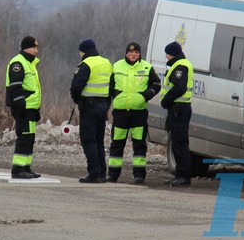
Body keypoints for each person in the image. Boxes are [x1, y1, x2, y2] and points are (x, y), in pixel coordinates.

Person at [107, 42, 161, 184]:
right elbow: (109, 86)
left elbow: (156, 84)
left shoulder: (147, 67)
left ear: (140, 54)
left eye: (136, 52)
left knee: (139, 144)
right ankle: (112, 175)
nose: (133, 54)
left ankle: (139, 175)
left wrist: (146, 95)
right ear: (126, 53)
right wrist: (114, 96)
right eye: (131, 52)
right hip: (120, 112)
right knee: (117, 144)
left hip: (139, 113)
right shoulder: (116, 66)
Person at [70, 39, 113, 183]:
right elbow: (112, 85)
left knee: (88, 140)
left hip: (89, 106)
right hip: (103, 106)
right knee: (98, 140)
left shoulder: (85, 64)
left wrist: (78, 100)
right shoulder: (106, 63)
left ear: (83, 51)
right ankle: (101, 173)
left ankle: (94, 173)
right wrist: (107, 103)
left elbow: (76, 87)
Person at [5, 36, 42, 179]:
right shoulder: (18, 63)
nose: (36, 51)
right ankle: (18, 169)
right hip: (23, 108)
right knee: (24, 137)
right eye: (34, 48)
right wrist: (21, 106)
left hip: (31, 108)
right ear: (26, 48)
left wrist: (36, 109)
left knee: (30, 137)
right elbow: (15, 87)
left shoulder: (30, 64)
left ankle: (26, 167)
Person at [160, 41, 194, 187]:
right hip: (177, 109)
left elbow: (179, 88)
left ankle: (184, 176)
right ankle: (181, 174)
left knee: (180, 143)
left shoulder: (180, 66)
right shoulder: (179, 64)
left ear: (172, 54)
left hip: (179, 109)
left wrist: (166, 100)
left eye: (167, 53)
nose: (166, 57)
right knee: (178, 142)